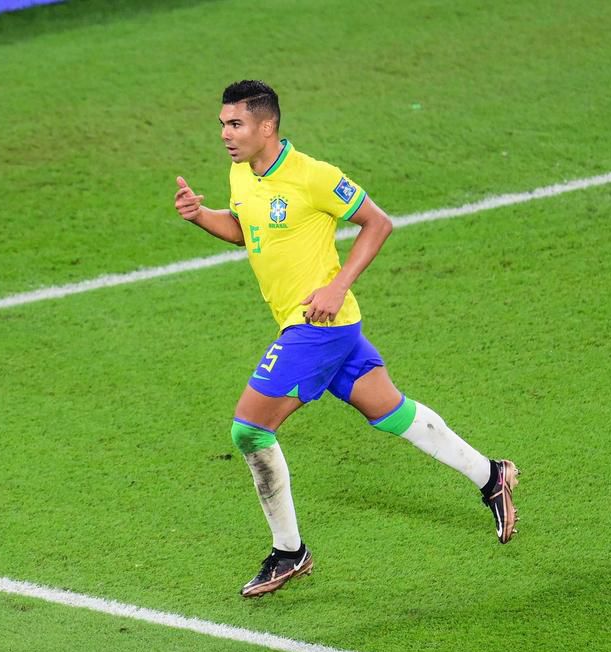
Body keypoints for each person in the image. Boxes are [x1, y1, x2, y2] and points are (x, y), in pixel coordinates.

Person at [173, 80, 519, 598]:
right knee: (391, 411)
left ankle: (290, 552)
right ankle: (491, 475)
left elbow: (377, 223)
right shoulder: (241, 173)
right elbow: (249, 230)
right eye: (223, 124)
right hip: (320, 326)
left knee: (249, 430)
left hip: (317, 326)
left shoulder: (313, 176)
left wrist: (337, 286)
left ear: (267, 126)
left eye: (235, 124)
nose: (225, 133)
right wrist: (201, 216)